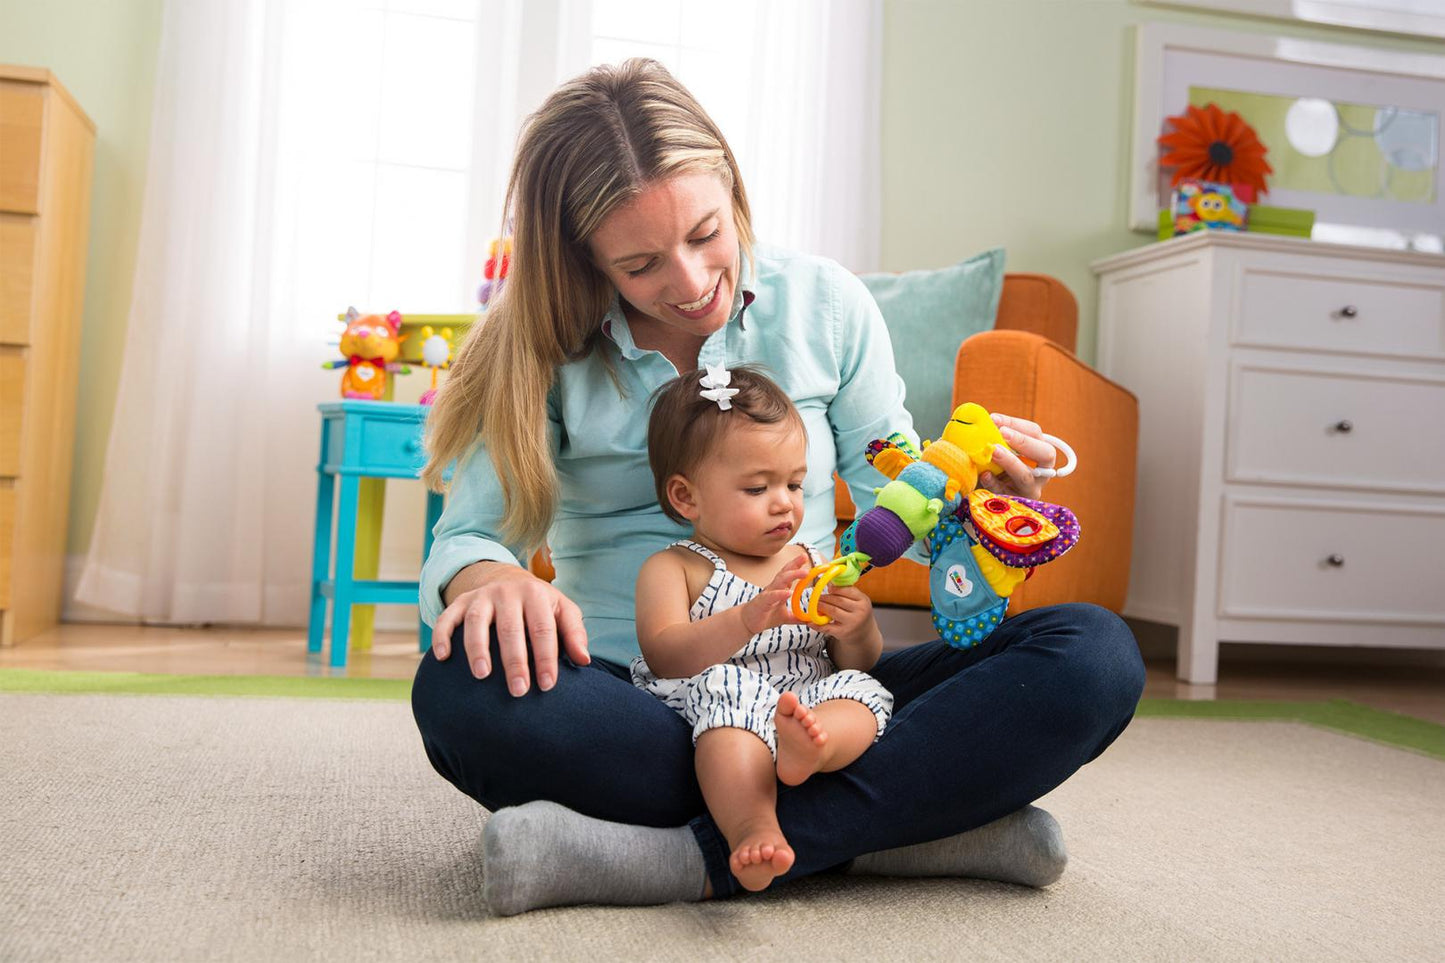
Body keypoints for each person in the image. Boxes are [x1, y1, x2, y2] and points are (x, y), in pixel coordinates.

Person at [412, 57, 1144, 917]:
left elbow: (894, 487)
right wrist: (488, 578)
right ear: (583, 256)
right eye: (640, 263)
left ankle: (685, 858)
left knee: (1092, 656)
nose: (688, 284)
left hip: (817, 696)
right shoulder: (539, 344)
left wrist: (967, 481)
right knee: (457, 689)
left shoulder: (824, 302)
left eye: (704, 234)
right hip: (638, 698)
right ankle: (910, 832)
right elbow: (466, 537)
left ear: (729, 183)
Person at [632, 365, 893, 892]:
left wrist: (857, 628)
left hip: (803, 706)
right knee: (729, 686)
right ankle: (752, 824)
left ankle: (815, 751)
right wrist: (747, 617)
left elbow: (855, 663)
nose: (785, 503)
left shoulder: (811, 559)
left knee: (866, 690)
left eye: (795, 483)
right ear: (687, 498)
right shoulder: (677, 567)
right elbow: (666, 656)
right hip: (720, 708)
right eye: (757, 488)